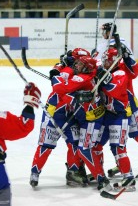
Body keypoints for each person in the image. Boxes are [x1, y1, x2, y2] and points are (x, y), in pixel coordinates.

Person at [95, 22, 138, 178]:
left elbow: (135, 70)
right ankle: (118, 165)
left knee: (137, 133)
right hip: (109, 104)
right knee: (112, 139)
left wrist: (126, 56)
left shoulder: (121, 55)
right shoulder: (104, 48)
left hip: (127, 102)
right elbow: (96, 64)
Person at [52, 51, 112, 192]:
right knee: (92, 148)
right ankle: (98, 173)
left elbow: (59, 88)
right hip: (91, 116)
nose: (77, 65)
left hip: (91, 120)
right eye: (77, 63)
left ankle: (101, 178)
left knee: (84, 150)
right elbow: (96, 64)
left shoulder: (82, 78)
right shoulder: (91, 71)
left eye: (80, 64)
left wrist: (55, 75)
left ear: (86, 68)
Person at [30, 53, 88, 188]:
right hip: (53, 113)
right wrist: (59, 67)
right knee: (46, 145)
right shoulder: (67, 71)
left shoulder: (84, 75)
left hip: (69, 115)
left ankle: (72, 173)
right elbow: (57, 76)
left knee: (74, 144)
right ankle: (34, 173)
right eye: (78, 63)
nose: (80, 66)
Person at [96, 47, 136, 191]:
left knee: (118, 147)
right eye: (104, 58)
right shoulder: (104, 68)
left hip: (119, 116)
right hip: (106, 115)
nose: (104, 61)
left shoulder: (121, 73)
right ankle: (99, 175)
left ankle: (128, 177)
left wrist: (103, 79)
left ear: (115, 60)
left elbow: (114, 89)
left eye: (108, 59)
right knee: (95, 145)